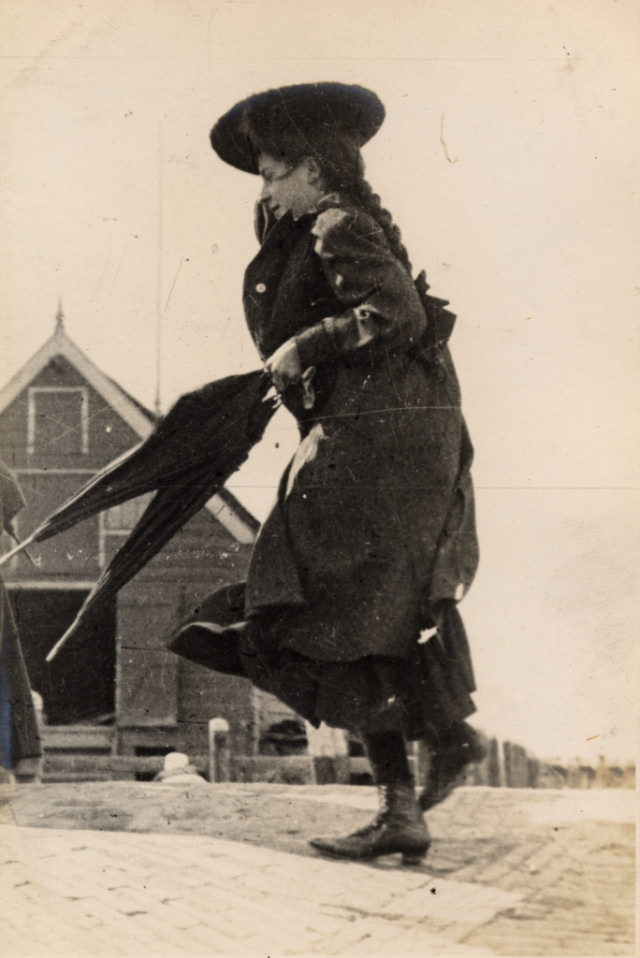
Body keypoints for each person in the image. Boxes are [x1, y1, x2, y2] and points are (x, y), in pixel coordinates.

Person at [170, 82, 483, 864]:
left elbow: (397, 316)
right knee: (361, 611)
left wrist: (304, 348)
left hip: (375, 444)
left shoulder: (339, 220)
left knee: (308, 596)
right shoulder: (315, 225)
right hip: (390, 438)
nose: (266, 188)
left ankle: (424, 765)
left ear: (314, 169)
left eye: (276, 173)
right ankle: (412, 789)